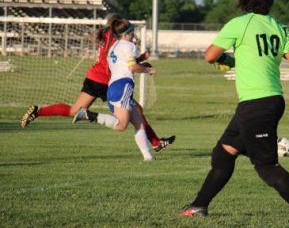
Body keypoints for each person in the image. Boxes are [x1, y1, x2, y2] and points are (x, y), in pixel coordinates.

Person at [179, 0, 289, 224]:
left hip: (255, 105)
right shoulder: (281, 28)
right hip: (271, 101)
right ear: (269, 2)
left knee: (266, 167)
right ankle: (198, 206)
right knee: (223, 154)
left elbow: (210, 55)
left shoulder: (239, 24)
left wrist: (227, 60)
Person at [20, 13, 175, 156]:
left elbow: (119, 60)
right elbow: (124, 63)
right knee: (134, 114)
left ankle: (38, 111)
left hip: (96, 77)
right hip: (110, 81)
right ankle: (155, 143)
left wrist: (139, 59)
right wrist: (142, 61)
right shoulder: (118, 39)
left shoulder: (108, 35)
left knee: (75, 111)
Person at [72, 18, 171, 161]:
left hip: (113, 87)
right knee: (121, 125)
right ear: (127, 33)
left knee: (139, 122)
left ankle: (148, 157)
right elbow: (132, 67)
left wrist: (142, 57)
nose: (133, 35)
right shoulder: (128, 45)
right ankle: (88, 115)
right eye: (132, 32)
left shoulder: (114, 46)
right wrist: (148, 69)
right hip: (123, 86)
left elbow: (125, 63)